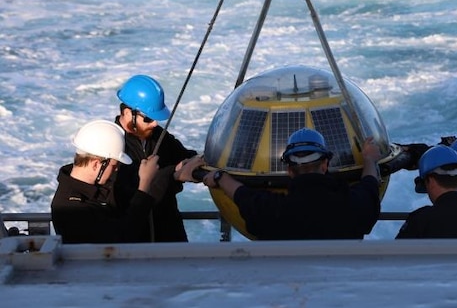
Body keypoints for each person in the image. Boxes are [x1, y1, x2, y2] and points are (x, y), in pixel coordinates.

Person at [203, 128, 382, 240]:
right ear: (325, 165)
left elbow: (241, 194)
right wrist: (369, 159)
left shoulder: (270, 211)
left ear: (289, 171)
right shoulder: (355, 205)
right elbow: (370, 182)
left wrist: (220, 177)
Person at [114, 74, 200, 242]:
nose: (154, 124)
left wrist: (195, 163)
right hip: (136, 239)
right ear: (126, 112)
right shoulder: (111, 144)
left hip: (169, 233)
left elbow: (185, 155)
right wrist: (173, 175)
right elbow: (130, 189)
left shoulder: (159, 136)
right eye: (148, 118)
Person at [51, 119, 161, 244]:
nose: (116, 170)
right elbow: (124, 236)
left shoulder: (87, 186)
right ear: (96, 164)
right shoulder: (71, 208)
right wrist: (145, 183)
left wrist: (173, 173)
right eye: (114, 166)